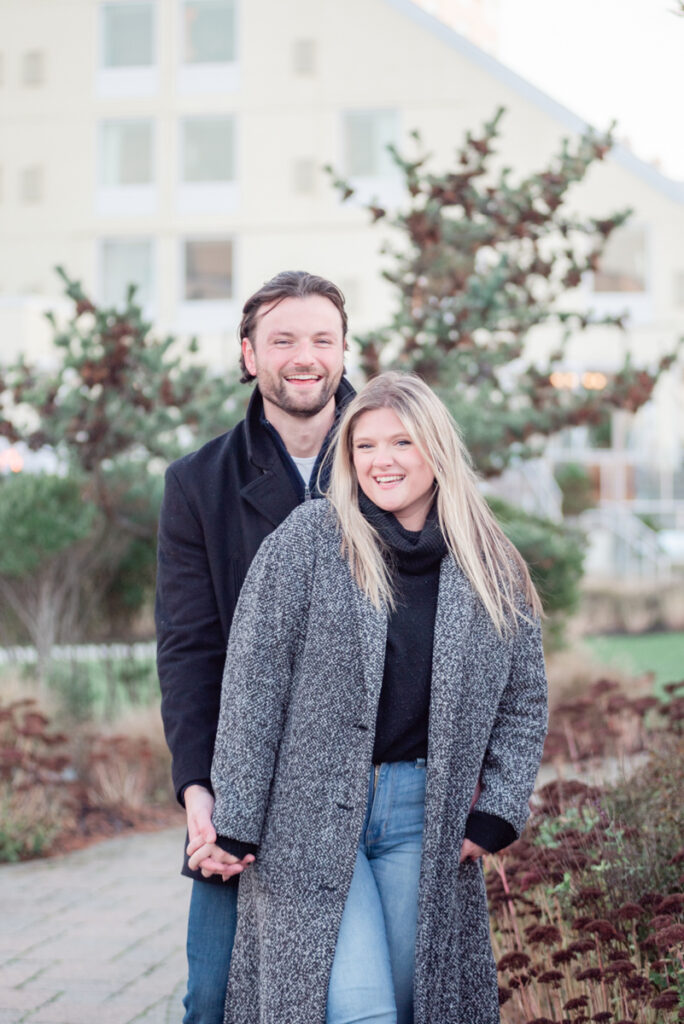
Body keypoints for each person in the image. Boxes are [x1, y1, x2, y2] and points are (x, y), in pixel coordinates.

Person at [189, 371, 549, 1024]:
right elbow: (252, 687)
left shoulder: (490, 564)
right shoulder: (308, 542)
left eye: (401, 443)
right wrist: (236, 817)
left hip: (424, 818)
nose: (382, 461)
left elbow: (523, 702)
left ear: (436, 449)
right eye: (366, 446)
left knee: (416, 1003)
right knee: (363, 1009)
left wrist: (497, 808)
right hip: (307, 817)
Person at [155, 270, 354, 1024]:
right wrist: (198, 790)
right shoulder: (197, 485)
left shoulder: (397, 463)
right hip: (245, 781)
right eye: (283, 340)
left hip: (373, 778)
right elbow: (188, 649)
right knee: (213, 997)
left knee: (362, 997)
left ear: (342, 350)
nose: (305, 357)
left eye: (321, 339)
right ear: (248, 355)